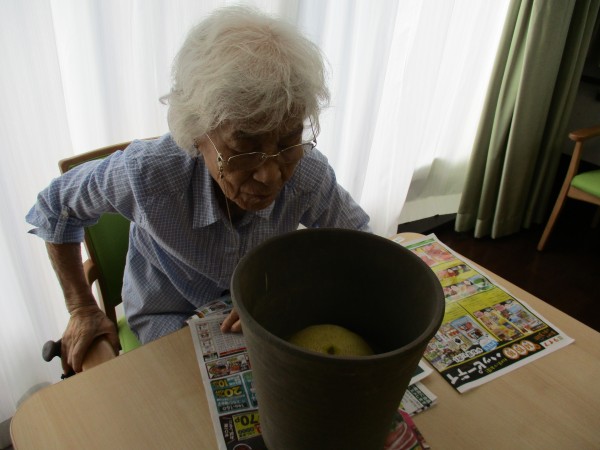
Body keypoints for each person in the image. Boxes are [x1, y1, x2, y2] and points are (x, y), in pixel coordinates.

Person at [26, 6, 370, 374]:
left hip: (260, 311)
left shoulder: (306, 172)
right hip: (166, 318)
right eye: (245, 147)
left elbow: (359, 242)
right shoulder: (147, 174)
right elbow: (55, 207)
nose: (271, 175)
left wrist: (296, 289)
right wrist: (81, 307)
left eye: (288, 142)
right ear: (196, 132)